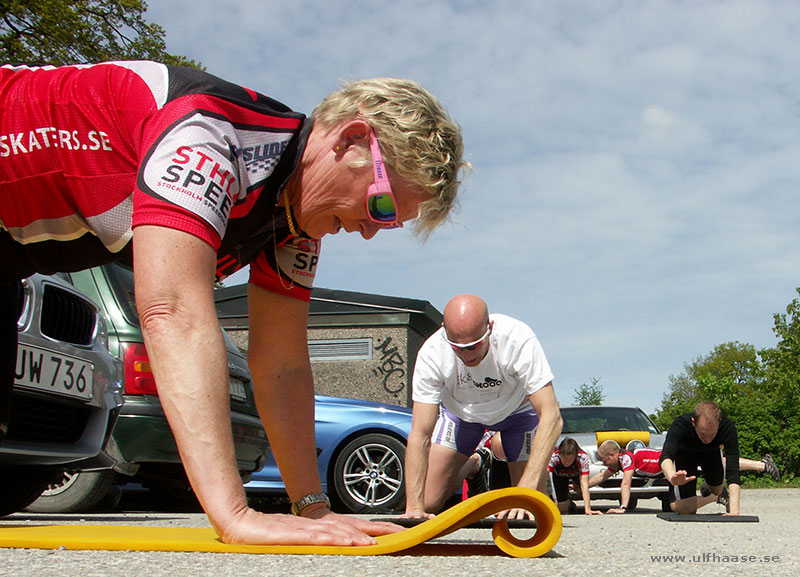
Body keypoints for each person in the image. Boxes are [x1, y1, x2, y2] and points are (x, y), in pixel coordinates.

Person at [0, 61, 467, 545]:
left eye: (389, 224)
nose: (371, 230)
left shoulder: (293, 222)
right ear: (350, 141)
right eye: (382, 205)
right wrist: (235, 516)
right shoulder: (212, 136)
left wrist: (312, 509)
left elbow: (282, 363)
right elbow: (172, 309)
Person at [403, 294, 563, 520]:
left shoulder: (517, 338)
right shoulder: (431, 353)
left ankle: (526, 487)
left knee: (529, 505)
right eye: (457, 348)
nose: (467, 355)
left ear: (490, 327)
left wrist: (526, 489)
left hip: (517, 412)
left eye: (474, 345)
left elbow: (551, 416)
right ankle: (474, 466)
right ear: (443, 331)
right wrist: (414, 507)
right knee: (427, 501)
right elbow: (420, 433)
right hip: (462, 414)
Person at [659, 401, 742, 515]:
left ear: (719, 423)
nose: (707, 439)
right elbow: (666, 456)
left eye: (712, 434)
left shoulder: (727, 427)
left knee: (717, 489)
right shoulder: (680, 424)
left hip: (711, 455)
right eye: (703, 434)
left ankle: (713, 489)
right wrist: (672, 477)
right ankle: (713, 497)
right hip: (685, 457)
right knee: (686, 510)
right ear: (694, 422)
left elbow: (733, 470)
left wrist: (734, 511)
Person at [548, 437, 602, 515]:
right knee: (561, 508)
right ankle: (568, 504)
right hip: (559, 475)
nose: (567, 462)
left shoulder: (582, 458)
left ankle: (570, 502)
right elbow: (544, 477)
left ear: (575, 456)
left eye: (570, 459)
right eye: (564, 458)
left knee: (580, 487)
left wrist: (588, 509)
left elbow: (584, 484)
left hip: (576, 473)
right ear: (560, 454)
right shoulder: (554, 457)